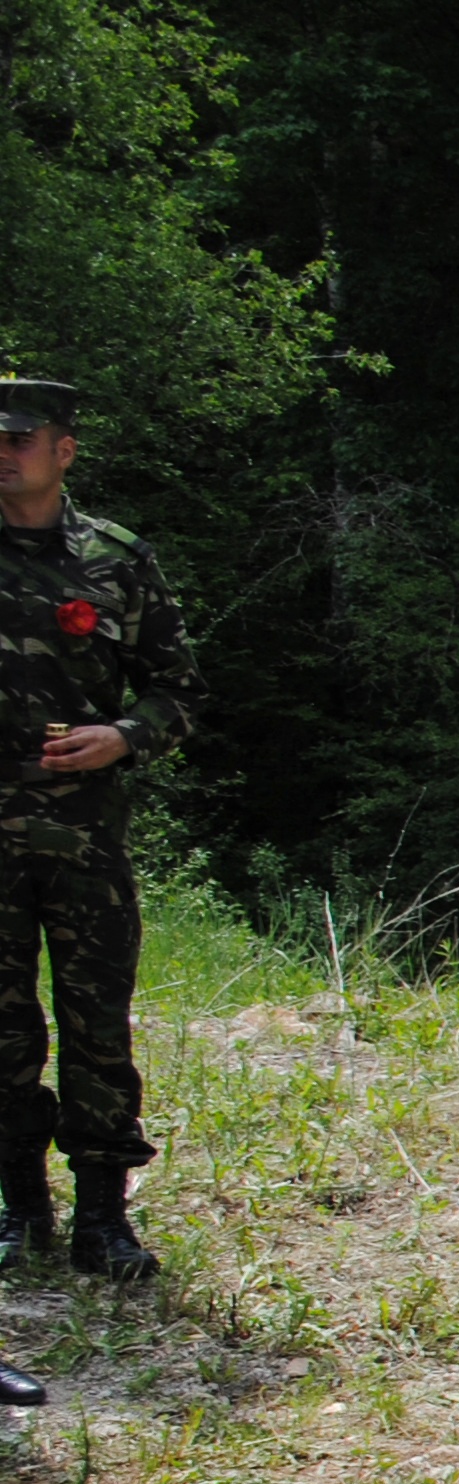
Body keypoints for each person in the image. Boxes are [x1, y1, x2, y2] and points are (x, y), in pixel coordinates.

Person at [0, 378, 202, 1281]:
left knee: (95, 1027)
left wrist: (122, 736)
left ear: (64, 449)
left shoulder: (115, 559)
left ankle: (103, 1220)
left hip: (85, 841)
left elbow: (181, 690)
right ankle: (19, 1211)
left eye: (20, 438)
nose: (4, 452)